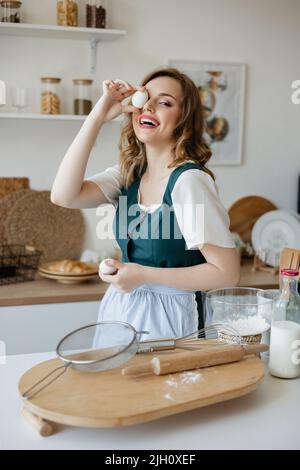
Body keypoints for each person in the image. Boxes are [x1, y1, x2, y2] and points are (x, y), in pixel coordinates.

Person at [51, 67, 240, 341]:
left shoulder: (189, 181)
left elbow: (227, 273)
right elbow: (63, 196)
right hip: (122, 311)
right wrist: (98, 116)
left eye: (164, 102)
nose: (148, 106)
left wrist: (143, 275)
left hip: (175, 320)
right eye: (145, 98)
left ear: (184, 118)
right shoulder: (128, 174)